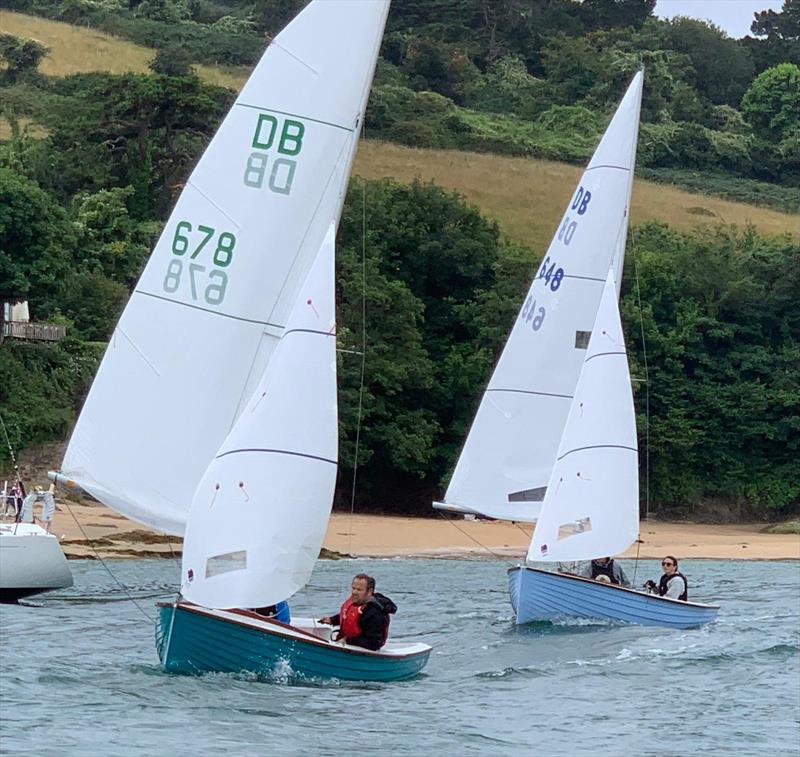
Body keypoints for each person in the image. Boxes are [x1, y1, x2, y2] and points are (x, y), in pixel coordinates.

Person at [318, 573, 396, 651]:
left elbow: (374, 643)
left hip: (363, 652)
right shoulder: (357, 602)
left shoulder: (375, 614)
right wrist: (331, 620)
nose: (354, 592)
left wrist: (347, 641)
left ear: (369, 591)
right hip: (346, 644)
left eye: (359, 590)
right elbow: (348, 616)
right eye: (353, 588)